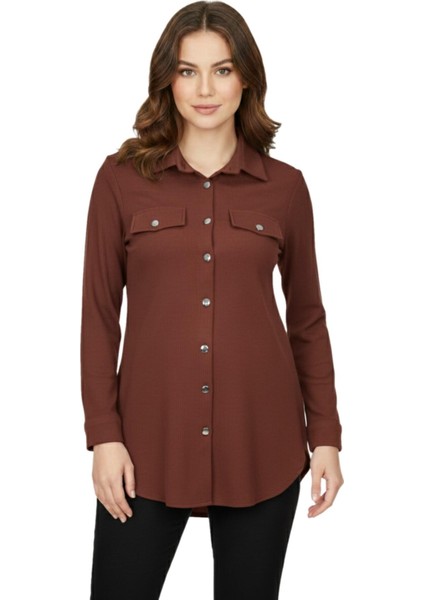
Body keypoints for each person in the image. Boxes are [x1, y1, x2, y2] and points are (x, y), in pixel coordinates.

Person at [80, 1, 344, 598]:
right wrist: (104, 435)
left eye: (221, 70)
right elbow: (99, 316)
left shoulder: (286, 188)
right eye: (187, 71)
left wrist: (325, 434)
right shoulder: (119, 180)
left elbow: (307, 319)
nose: (205, 89)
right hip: (144, 446)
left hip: (263, 443)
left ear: (245, 78)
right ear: (166, 79)